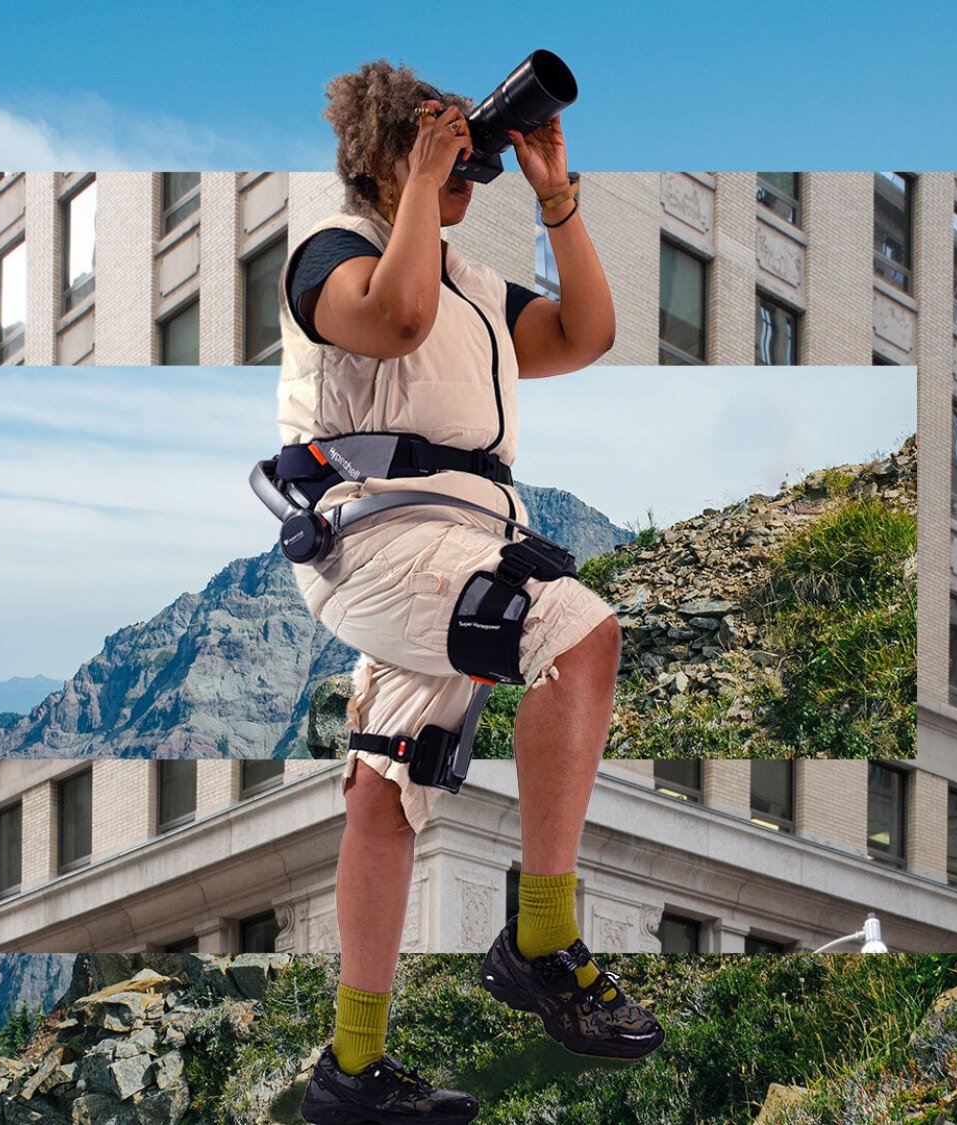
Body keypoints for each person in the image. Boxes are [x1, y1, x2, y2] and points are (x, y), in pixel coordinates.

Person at [275, 61, 663, 1125]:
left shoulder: (477, 291)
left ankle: (349, 1074)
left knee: (384, 790)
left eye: (465, 149)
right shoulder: (330, 254)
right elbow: (393, 321)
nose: (463, 165)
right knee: (576, 632)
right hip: (382, 538)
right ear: (385, 162)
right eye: (439, 147)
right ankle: (539, 933)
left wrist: (552, 195)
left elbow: (585, 334)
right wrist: (412, 182)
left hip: (454, 549)